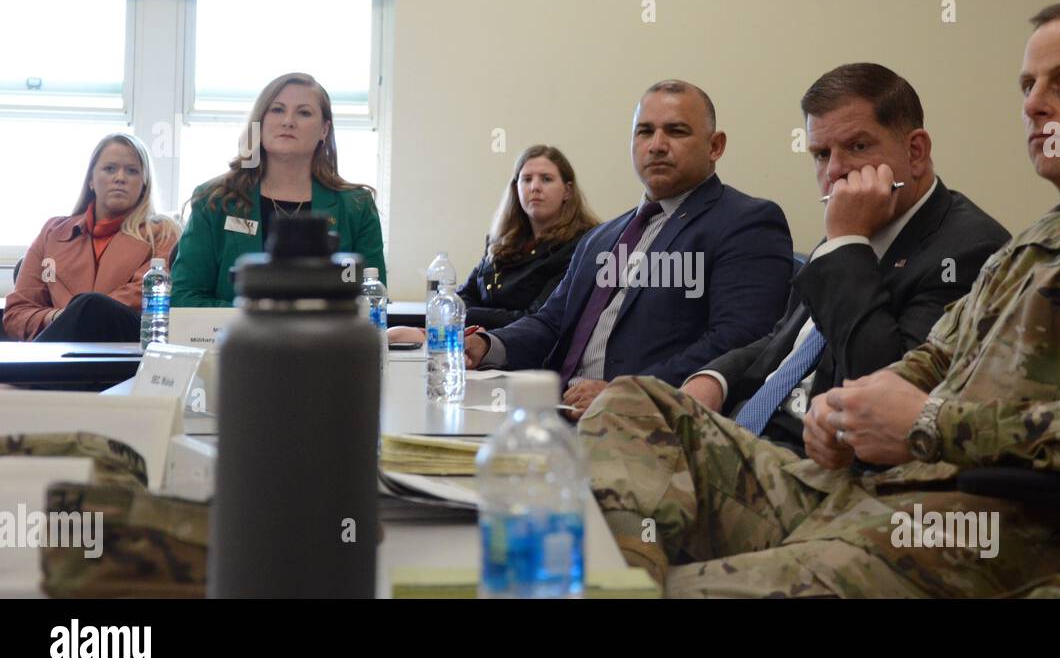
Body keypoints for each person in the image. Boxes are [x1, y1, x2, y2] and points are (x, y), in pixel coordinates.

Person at [578, 2, 1060, 597]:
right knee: (636, 402)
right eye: (1028, 85)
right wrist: (848, 409)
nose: (1034, 104)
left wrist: (930, 423)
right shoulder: (1036, 243)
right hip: (866, 496)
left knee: (683, 588)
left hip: (980, 537)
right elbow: (933, 356)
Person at [680, 63, 1009, 454]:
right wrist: (715, 378)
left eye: (857, 146)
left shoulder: (970, 249)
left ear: (915, 152)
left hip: (814, 463)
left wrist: (847, 243)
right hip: (743, 432)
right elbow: (785, 339)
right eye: (821, 154)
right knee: (625, 407)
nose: (834, 171)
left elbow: (883, 391)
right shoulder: (850, 229)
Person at [466, 80, 794, 419]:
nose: (657, 146)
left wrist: (626, 392)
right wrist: (487, 345)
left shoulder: (746, 222)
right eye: (645, 132)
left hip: (642, 424)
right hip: (554, 409)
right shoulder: (603, 236)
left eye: (676, 131)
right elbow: (552, 322)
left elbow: (738, 341)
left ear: (715, 146)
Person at [171, 72, 385, 307]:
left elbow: (372, 299)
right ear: (259, 123)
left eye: (303, 112)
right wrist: (260, 320)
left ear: (324, 129)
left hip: (327, 340)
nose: (288, 121)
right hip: (238, 340)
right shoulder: (214, 200)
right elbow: (184, 297)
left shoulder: (356, 206)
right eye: (277, 110)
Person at [389, 145, 600, 338]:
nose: (535, 187)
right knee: (396, 335)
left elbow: (537, 317)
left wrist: (470, 317)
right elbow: (466, 294)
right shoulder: (502, 241)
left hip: (530, 354)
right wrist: (469, 319)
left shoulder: (582, 244)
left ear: (567, 191)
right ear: (516, 188)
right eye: (526, 179)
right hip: (476, 345)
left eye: (546, 179)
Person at [4, 133, 178, 341]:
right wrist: (62, 316)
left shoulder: (164, 233)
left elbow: (142, 297)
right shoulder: (52, 232)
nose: (120, 178)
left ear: (144, 184)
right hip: (58, 348)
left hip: (125, 346)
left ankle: (32, 374)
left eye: (132, 171)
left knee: (92, 305)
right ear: (91, 181)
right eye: (110, 168)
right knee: (88, 307)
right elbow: (17, 312)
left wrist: (84, 312)